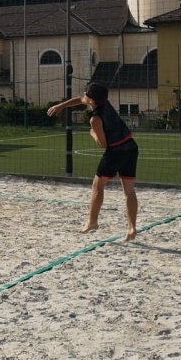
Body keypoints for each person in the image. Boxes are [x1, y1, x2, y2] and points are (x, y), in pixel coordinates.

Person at [47, 82, 139, 242]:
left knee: (98, 185)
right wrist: (62, 105)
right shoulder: (105, 102)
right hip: (131, 146)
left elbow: (103, 144)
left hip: (115, 151)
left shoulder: (95, 120)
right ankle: (132, 228)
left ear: (92, 100)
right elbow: (80, 99)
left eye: (86, 94)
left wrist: (92, 134)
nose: (84, 95)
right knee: (129, 191)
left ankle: (92, 222)